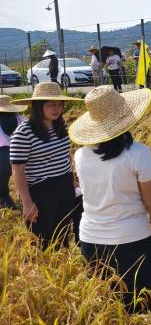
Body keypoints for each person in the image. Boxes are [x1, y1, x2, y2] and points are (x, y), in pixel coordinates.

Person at [69, 86, 151, 312]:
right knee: (137, 308)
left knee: (105, 309)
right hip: (131, 242)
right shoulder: (138, 153)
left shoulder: (80, 154)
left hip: (91, 241)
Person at [9, 83, 83, 250]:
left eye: (59, 104)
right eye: (50, 104)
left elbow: (65, 157)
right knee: (42, 238)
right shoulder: (24, 132)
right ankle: (44, 271)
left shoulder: (60, 126)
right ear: (38, 106)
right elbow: (18, 170)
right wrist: (27, 202)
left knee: (62, 233)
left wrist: (72, 182)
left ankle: (63, 269)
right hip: (41, 191)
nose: (56, 109)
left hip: (64, 186)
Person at [0, 95, 26, 209]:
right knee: (25, 179)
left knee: (2, 187)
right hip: (23, 155)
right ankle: (24, 197)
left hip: (3, 156)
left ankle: (6, 202)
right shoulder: (23, 120)